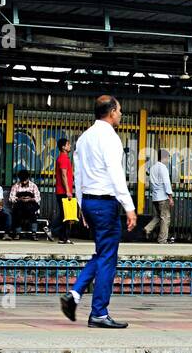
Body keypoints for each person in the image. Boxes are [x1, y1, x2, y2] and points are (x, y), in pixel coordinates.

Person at [59, 95, 136, 329]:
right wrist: (129, 206)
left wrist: (82, 205)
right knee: (108, 258)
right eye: (120, 110)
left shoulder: (83, 139)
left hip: (90, 203)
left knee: (102, 253)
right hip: (105, 203)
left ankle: (74, 294)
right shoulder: (110, 138)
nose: (121, 114)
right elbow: (115, 174)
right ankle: (99, 313)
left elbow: (78, 175)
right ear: (112, 111)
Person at [141, 148, 175, 243]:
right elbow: (166, 182)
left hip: (155, 197)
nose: (168, 160)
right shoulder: (163, 168)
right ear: (164, 157)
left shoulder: (153, 168)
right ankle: (162, 240)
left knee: (159, 216)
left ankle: (147, 228)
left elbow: (151, 183)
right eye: (168, 158)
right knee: (166, 218)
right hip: (163, 197)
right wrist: (170, 197)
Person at [52, 136, 75, 244]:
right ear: (63, 147)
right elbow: (63, 175)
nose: (70, 146)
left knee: (66, 214)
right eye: (68, 144)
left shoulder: (64, 158)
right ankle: (51, 228)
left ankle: (64, 237)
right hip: (63, 191)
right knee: (64, 214)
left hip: (64, 190)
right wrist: (68, 191)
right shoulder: (63, 159)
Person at [8, 169, 42, 237]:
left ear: (28, 178)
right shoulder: (16, 186)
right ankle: (17, 233)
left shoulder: (33, 186)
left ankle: (34, 233)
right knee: (18, 212)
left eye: (25, 180)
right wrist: (19, 199)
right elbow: (11, 198)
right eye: (22, 180)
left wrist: (30, 199)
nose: (23, 182)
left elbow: (38, 198)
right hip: (20, 206)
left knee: (33, 212)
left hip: (30, 206)